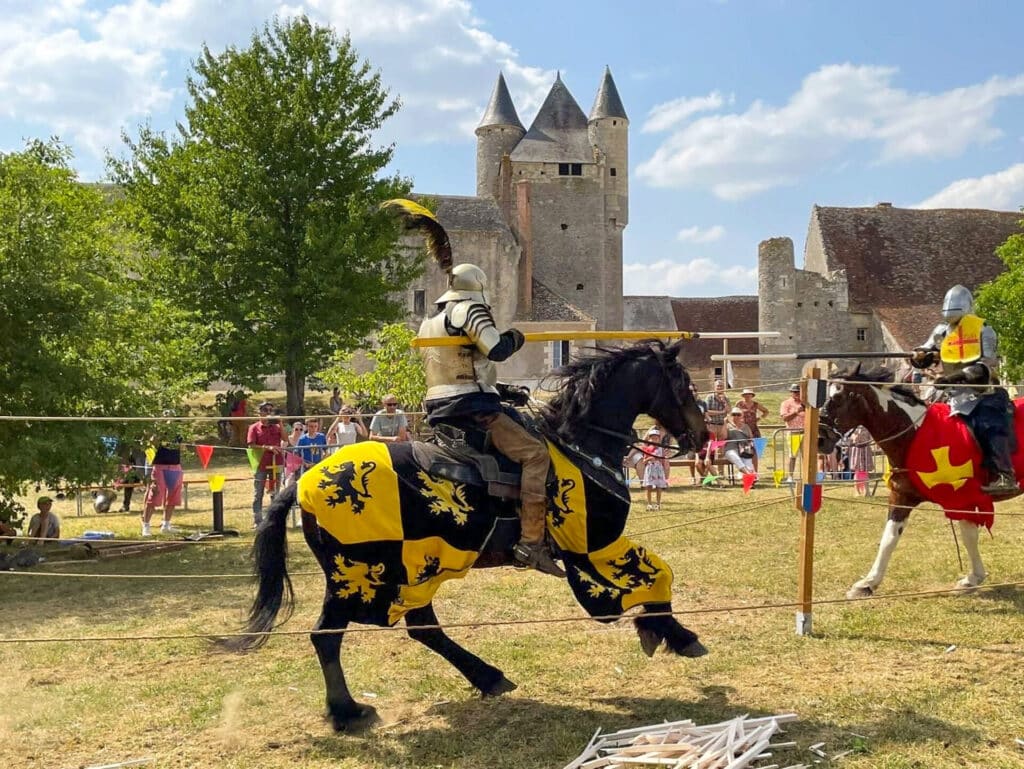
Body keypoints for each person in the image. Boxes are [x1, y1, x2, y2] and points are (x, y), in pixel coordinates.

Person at [417, 262, 563, 577]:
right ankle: (531, 541)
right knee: (536, 454)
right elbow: (496, 349)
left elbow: (461, 368)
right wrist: (517, 337)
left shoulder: (429, 322)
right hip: (472, 408)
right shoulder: (468, 310)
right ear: (478, 288)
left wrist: (503, 391)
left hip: (440, 405)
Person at [910, 284, 1018, 496]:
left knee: (990, 425)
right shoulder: (941, 332)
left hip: (983, 394)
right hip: (952, 396)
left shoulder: (984, 330)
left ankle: (1005, 475)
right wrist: (919, 357)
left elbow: (985, 366)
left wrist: (953, 377)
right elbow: (925, 352)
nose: (954, 323)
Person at [142, 416, 184, 536]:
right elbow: (152, 443)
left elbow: (182, 448)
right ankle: (146, 526)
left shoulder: (178, 433)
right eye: (167, 419)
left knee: (173, 497)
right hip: (160, 466)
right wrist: (159, 432)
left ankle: (166, 524)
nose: (170, 422)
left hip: (175, 466)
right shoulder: (159, 433)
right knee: (155, 495)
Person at [247, 401, 286, 527]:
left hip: (277, 463)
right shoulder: (254, 427)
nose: (268, 413)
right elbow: (251, 445)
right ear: (260, 412)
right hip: (261, 464)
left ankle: (274, 520)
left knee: (276, 493)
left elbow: (286, 439)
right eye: (265, 410)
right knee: (258, 493)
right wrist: (267, 447)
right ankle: (257, 520)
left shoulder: (277, 427)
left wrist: (280, 424)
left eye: (270, 410)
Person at [736, 387, 769, 472]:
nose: (747, 396)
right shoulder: (739, 404)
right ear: (743, 396)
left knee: (754, 452)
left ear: (752, 395)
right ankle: (745, 471)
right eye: (745, 395)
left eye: (749, 394)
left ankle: (756, 471)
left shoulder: (756, 404)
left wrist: (759, 418)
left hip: (754, 429)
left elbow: (766, 411)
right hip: (743, 429)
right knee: (744, 451)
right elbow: (734, 414)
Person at [639, 424, 670, 510]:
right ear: (649, 439)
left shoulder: (661, 449)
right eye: (652, 438)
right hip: (650, 470)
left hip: (659, 470)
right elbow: (644, 461)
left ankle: (658, 504)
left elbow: (663, 460)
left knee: (658, 487)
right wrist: (649, 458)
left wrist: (659, 460)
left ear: (659, 439)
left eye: (656, 438)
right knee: (648, 487)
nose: (654, 440)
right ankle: (649, 504)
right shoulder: (647, 449)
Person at [780, 383, 805, 482]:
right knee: (792, 455)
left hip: (805, 432)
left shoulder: (806, 403)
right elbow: (785, 418)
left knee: (806, 456)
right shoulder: (786, 403)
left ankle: (806, 475)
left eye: (798, 392)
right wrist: (796, 412)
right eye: (794, 392)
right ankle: (790, 476)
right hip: (793, 432)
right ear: (791, 393)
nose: (796, 394)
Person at [723, 407, 756, 477]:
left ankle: (747, 476)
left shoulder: (746, 426)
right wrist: (724, 424)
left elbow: (751, 438)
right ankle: (749, 474)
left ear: (741, 415)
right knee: (735, 457)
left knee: (748, 463)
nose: (736, 416)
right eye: (734, 414)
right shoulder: (727, 426)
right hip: (731, 449)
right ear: (730, 416)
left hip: (744, 450)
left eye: (738, 414)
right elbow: (724, 437)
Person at [846, 424, 874, 496]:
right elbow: (849, 440)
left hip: (865, 450)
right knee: (857, 471)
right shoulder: (853, 428)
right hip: (856, 450)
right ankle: (857, 491)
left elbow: (871, 438)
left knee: (865, 471)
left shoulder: (867, 426)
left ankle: (866, 490)